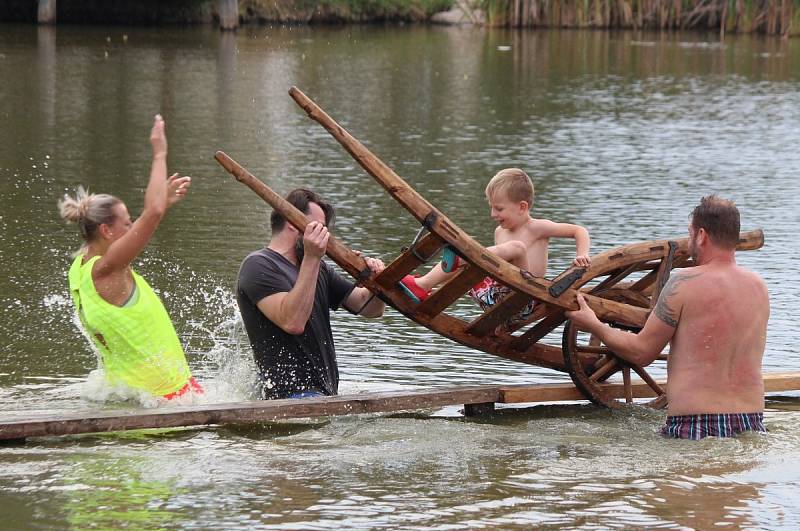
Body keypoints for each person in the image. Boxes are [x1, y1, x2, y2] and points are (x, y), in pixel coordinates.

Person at [565, 195, 769, 440]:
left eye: (690, 233)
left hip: (694, 423)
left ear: (701, 235)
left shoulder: (683, 282)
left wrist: (594, 324)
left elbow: (642, 352)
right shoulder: (759, 287)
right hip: (752, 421)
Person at [59, 115, 202, 401]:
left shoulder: (80, 269)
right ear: (105, 230)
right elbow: (153, 213)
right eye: (127, 222)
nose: (133, 226)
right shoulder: (109, 269)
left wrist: (163, 202)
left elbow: (151, 216)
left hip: (132, 397)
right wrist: (159, 153)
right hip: (165, 399)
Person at [236, 188, 386, 400]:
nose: (326, 238)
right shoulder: (258, 265)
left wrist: (376, 282)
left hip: (323, 397)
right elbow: (293, 322)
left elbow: (370, 308)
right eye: (319, 229)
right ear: (292, 222)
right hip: (285, 398)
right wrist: (312, 257)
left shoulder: (319, 268)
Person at [399, 168, 590, 329]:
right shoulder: (500, 231)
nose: (492, 214)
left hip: (526, 299)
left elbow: (579, 230)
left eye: (499, 209)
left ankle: (466, 256)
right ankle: (423, 285)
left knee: (517, 248)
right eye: (491, 207)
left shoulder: (538, 227)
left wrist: (582, 254)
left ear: (522, 207)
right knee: (477, 261)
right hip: (495, 298)